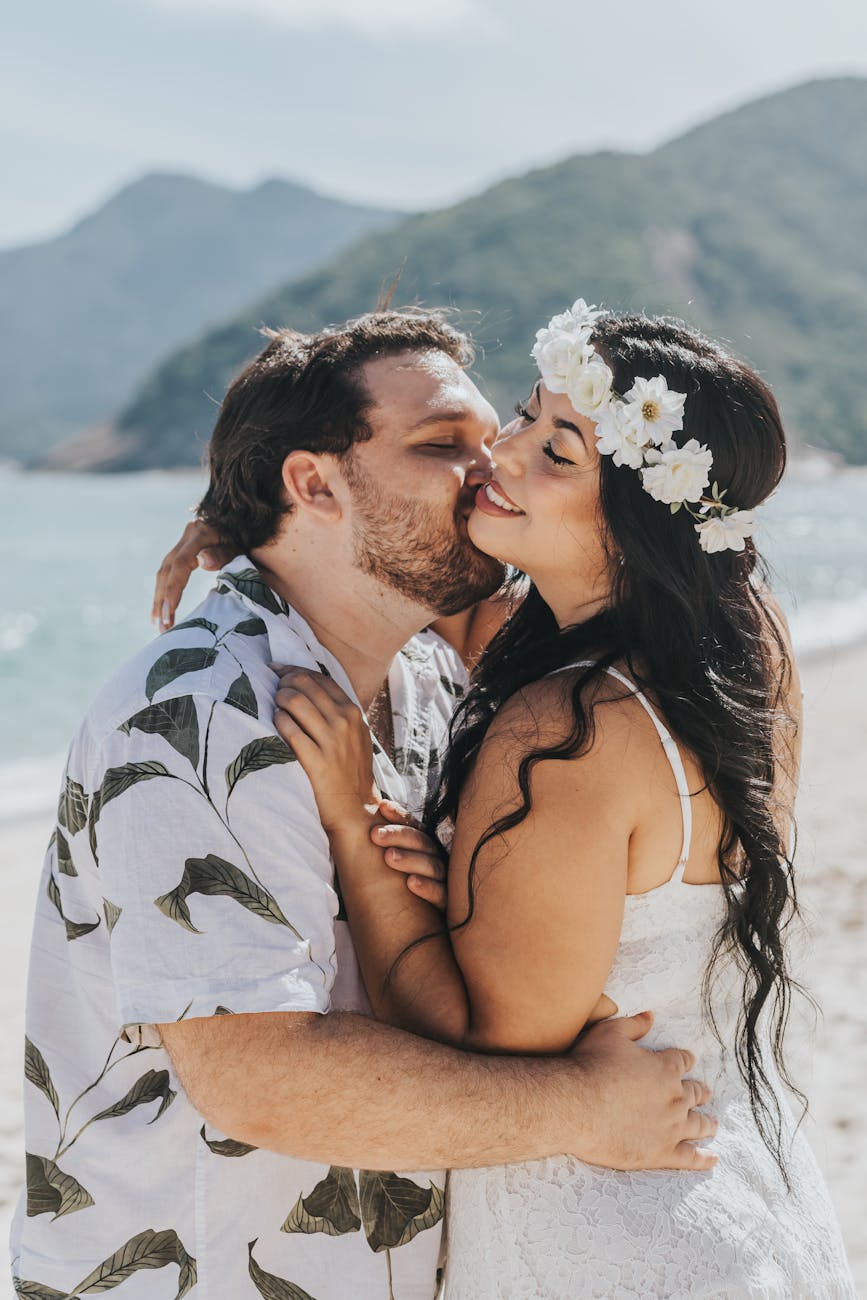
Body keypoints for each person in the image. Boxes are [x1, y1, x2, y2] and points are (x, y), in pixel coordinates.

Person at [12, 312, 716, 1300]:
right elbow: (258, 1075)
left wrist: (241, 509)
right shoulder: (197, 712)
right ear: (314, 483)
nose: (489, 470)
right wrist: (585, 1112)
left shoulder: (429, 675)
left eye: (495, 436)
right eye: (441, 446)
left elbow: (617, 587)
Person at [272, 304, 857, 1297]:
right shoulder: (744, 651)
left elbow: (487, 1043)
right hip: (749, 1200)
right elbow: (461, 594)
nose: (498, 454)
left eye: (559, 450)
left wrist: (356, 832)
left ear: (641, 516)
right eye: (520, 418)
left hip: (607, 1233)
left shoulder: (567, 732)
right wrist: (257, 526)